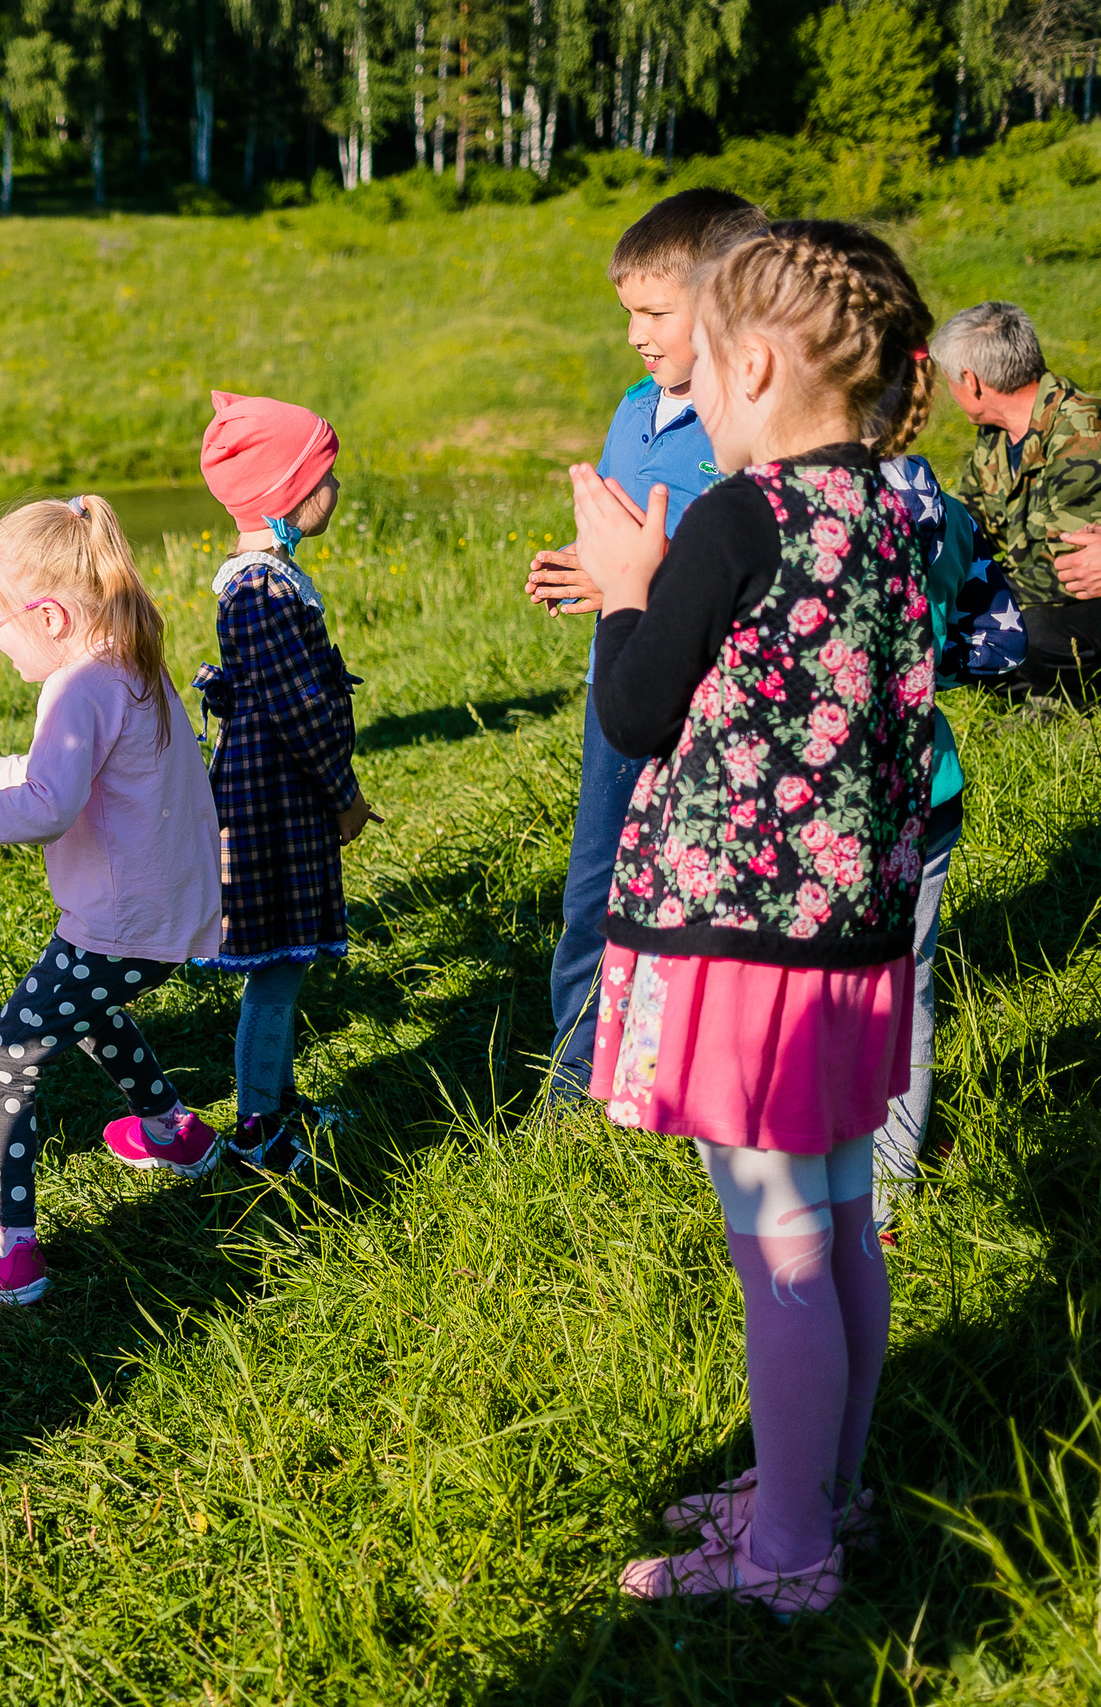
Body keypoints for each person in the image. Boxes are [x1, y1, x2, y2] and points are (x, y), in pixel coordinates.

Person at [574, 221, 940, 1616]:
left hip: (748, 941)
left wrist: (626, 587)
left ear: (759, 362)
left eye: (707, 373)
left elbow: (633, 707)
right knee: (841, 1219)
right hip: (857, 939)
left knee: (777, 1240)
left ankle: (788, 1551)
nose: (697, 404)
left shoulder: (741, 514)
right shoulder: (904, 509)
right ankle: (818, 1483)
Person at [0, 497, 224, 1306]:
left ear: (49, 615)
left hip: (119, 925)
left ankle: (12, 1254)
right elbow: (46, 775)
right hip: (162, 916)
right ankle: (174, 1132)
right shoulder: (125, 659)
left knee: (2, 1059)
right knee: (92, 1012)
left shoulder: (77, 687)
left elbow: (46, 806)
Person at [523, 189, 769, 1097]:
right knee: (596, 885)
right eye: (628, 312)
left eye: (656, 312)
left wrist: (639, 578)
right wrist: (583, 569)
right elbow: (623, 537)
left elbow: (750, 561)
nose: (635, 332)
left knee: (709, 896)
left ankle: (700, 1081)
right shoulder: (634, 407)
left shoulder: (751, 426)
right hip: (622, 692)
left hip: (713, 712)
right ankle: (573, 1084)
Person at [190, 392, 377, 1175]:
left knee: (282, 966)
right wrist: (344, 792)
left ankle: (279, 1099)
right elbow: (302, 712)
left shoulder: (268, 579)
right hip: (276, 804)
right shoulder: (263, 589)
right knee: (275, 971)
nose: (338, 490)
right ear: (291, 493)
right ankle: (259, 1125)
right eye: (329, 475)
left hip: (278, 797)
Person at [873, 457, 973, 1226]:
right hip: (927, 781)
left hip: (844, 802)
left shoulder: (803, 510)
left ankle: (851, 1179)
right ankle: (891, 1177)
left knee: (837, 991)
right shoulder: (937, 499)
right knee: (908, 982)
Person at [932, 300, 1101, 692]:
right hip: (1036, 593)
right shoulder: (995, 434)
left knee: (1027, 630)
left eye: (950, 380)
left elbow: (1069, 572)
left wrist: (974, 592)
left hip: (1077, 602)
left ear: (971, 381)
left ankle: (1067, 697)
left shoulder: (1082, 434)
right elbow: (972, 523)